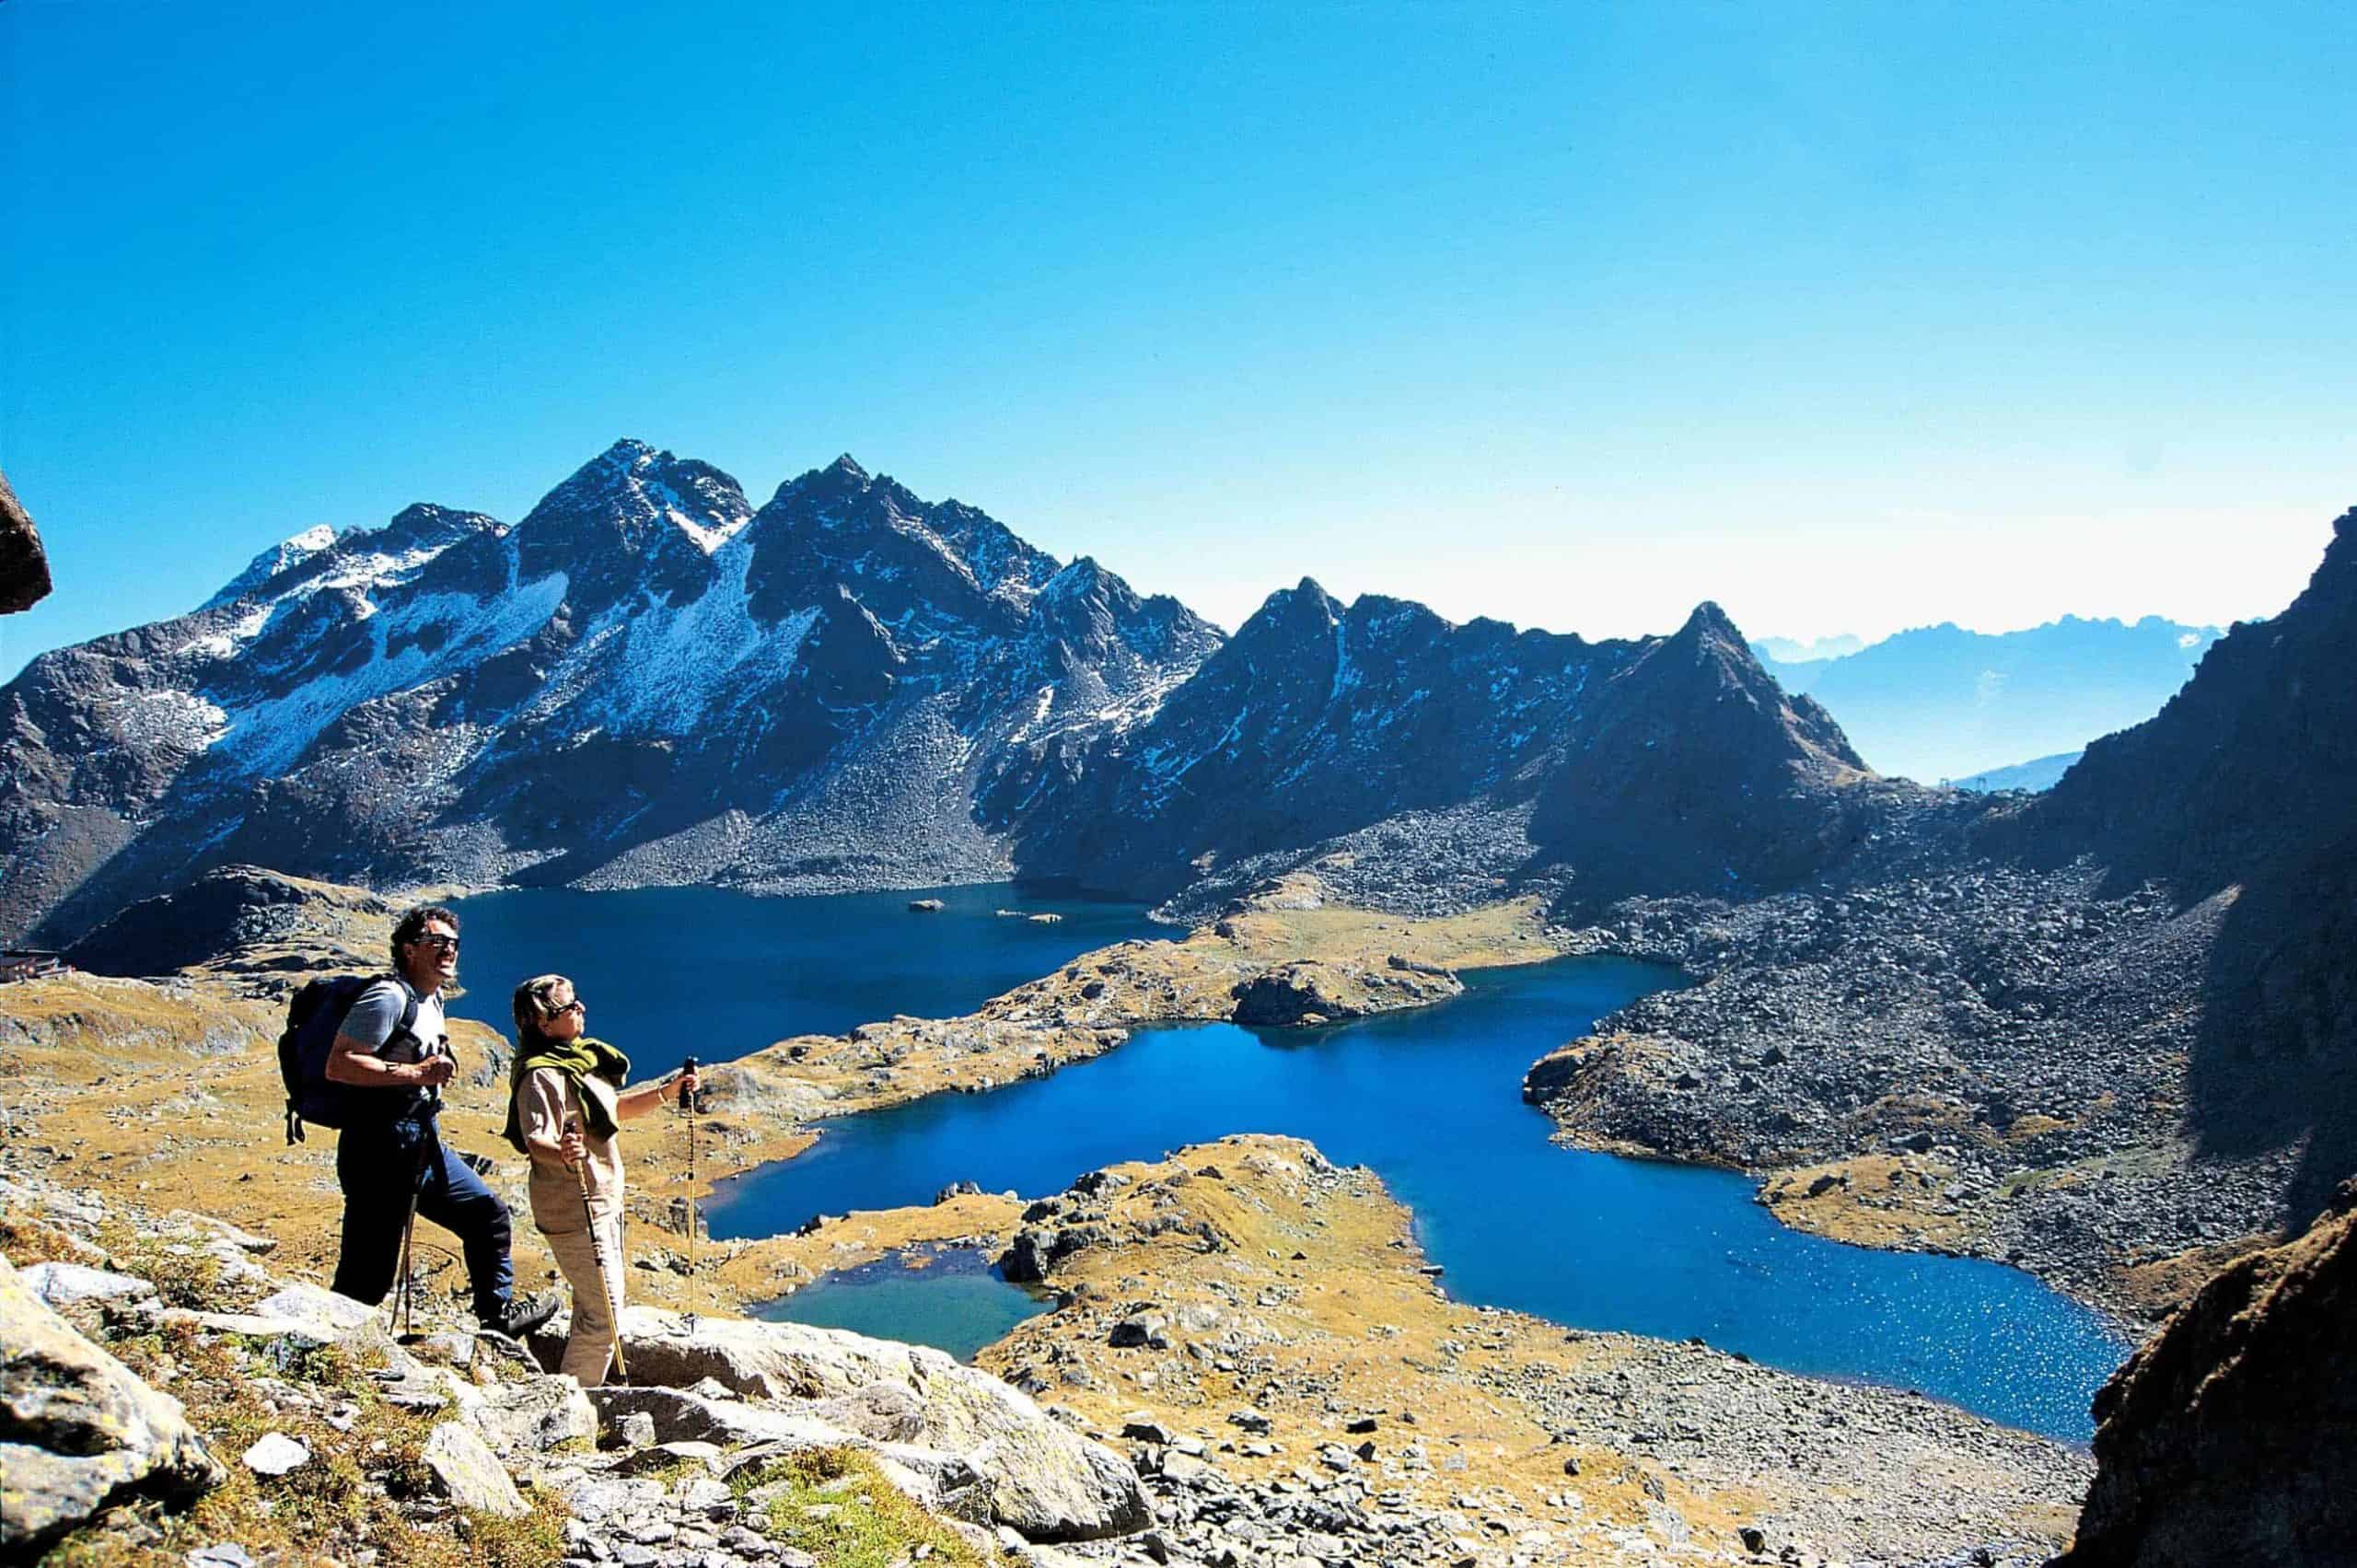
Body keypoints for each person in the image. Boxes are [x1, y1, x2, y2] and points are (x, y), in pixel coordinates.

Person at [325, 905, 555, 1339]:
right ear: (410, 950)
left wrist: (434, 1068)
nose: (449, 950)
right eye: (437, 942)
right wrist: (416, 1074)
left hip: (418, 1139)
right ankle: (329, 1351)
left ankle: (496, 1319)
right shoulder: (388, 996)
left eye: (453, 943)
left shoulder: (433, 997)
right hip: (377, 1144)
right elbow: (339, 1064)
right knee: (368, 1273)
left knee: (486, 1213)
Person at [503, 973, 697, 1386]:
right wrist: (564, 1154)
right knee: (604, 1312)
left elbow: (614, 1110)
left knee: (596, 1303)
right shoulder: (541, 1076)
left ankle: (575, 1386)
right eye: (570, 1007)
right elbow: (536, 1140)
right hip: (575, 1208)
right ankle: (573, 1402)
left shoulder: (580, 1061)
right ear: (543, 1021)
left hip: (604, 1199)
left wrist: (668, 1090)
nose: (582, 1010)